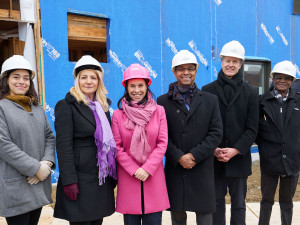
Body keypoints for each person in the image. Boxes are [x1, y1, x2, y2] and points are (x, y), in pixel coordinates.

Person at [157, 50, 223, 225]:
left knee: (204, 216)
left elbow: (216, 133)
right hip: (176, 168)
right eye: (181, 69)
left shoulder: (210, 100)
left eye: (190, 68)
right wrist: (178, 156)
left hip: (201, 167)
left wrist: (194, 156)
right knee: (178, 216)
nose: (186, 72)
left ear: (196, 71)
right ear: (174, 72)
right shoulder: (162, 102)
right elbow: (160, 135)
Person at [54, 55, 117, 225]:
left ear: (99, 81)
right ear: (77, 80)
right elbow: (63, 146)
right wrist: (69, 181)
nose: (89, 81)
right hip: (79, 180)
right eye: (84, 77)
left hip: (99, 179)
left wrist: (112, 176)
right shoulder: (66, 105)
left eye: (93, 77)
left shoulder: (103, 107)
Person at [202, 40, 259, 225]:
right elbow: (204, 126)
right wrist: (214, 149)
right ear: (221, 60)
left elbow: (252, 129)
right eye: (228, 60)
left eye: (235, 61)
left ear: (241, 64)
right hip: (215, 160)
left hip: (239, 160)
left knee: (239, 205)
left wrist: (235, 150)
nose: (231, 65)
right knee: (216, 204)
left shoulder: (251, 92)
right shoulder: (207, 91)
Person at [111, 63, 170, 225]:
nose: (136, 90)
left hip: (153, 177)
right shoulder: (117, 115)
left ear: (147, 86)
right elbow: (117, 147)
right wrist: (134, 170)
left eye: (140, 85)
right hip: (129, 178)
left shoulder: (159, 111)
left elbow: (162, 143)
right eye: (132, 86)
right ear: (126, 87)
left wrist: (147, 168)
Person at [0, 55, 55, 225]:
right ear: (6, 80)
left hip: (38, 182)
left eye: (26, 78)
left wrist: (46, 163)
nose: (21, 82)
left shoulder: (37, 108)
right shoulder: (2, 107)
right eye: (16, 77)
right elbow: (3, 144)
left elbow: (49, 137)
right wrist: (35, 168)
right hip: (16, 185)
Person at [256, 61, 300, 225]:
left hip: (292, 161)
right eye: (278, 77)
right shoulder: (261, 102)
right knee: (266, 201)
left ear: (292, 81)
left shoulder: (298, 102)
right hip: (269, 161)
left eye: (287, 78)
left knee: (287, 202)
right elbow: (256, 131)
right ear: (272, 78)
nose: (282, 81)